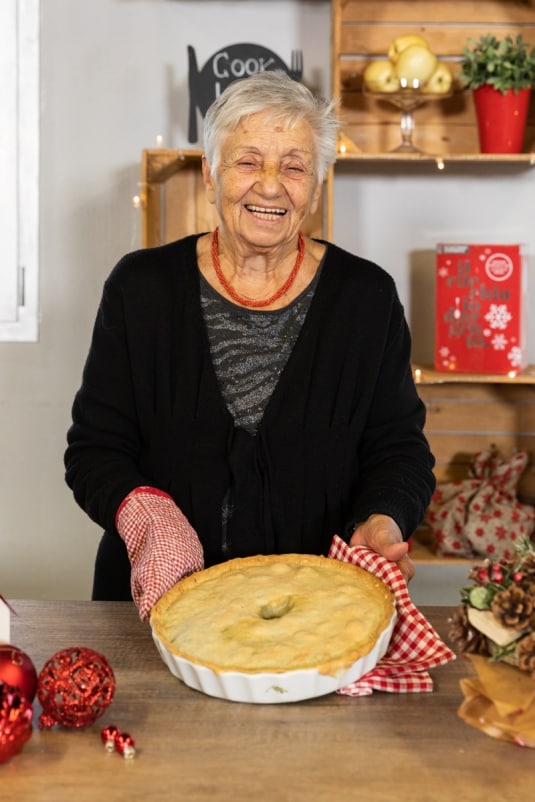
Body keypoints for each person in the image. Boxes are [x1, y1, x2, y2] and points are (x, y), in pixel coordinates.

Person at [64, 71, 435, 621]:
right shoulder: (140, 288)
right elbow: (95, 449)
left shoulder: (367, 298)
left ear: (315, 186)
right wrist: (147, 518)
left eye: (293, 166)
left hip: (313, 612)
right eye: (247, 161)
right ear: (211, 178)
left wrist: (383, 517)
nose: (269, 184)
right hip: (154, 606)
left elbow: (399, 449)